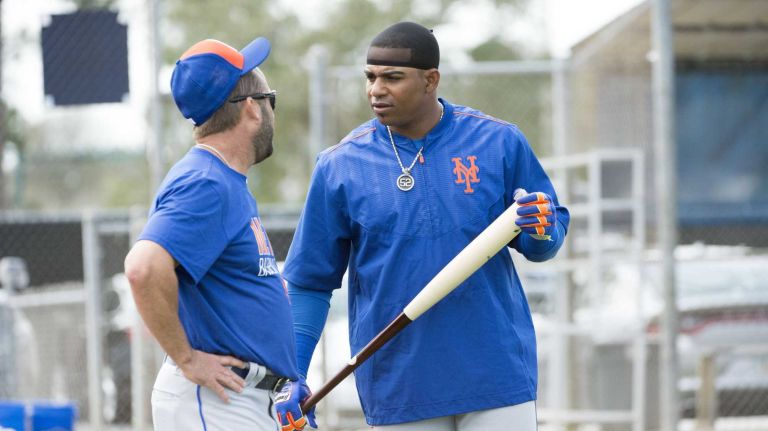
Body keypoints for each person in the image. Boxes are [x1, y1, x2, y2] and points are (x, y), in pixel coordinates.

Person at [279, 21, 570, 430]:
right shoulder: (339, 165)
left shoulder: (498, 142)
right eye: (370, 77)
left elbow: (544, 242)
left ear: (431, 80)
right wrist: (293, 373)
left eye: (392, 77)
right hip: (398, 384)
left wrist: (541, 230)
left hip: (495, 374)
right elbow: (310, 281)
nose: (375, 90)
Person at [123, 36, 315, 431]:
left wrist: (280, 382)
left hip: (239, 399)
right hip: (217, 400)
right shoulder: (206, 183)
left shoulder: (223, 181)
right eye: (269, 99)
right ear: (251, 109)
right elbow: (142, 268)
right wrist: (188, 359)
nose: (270, 110)